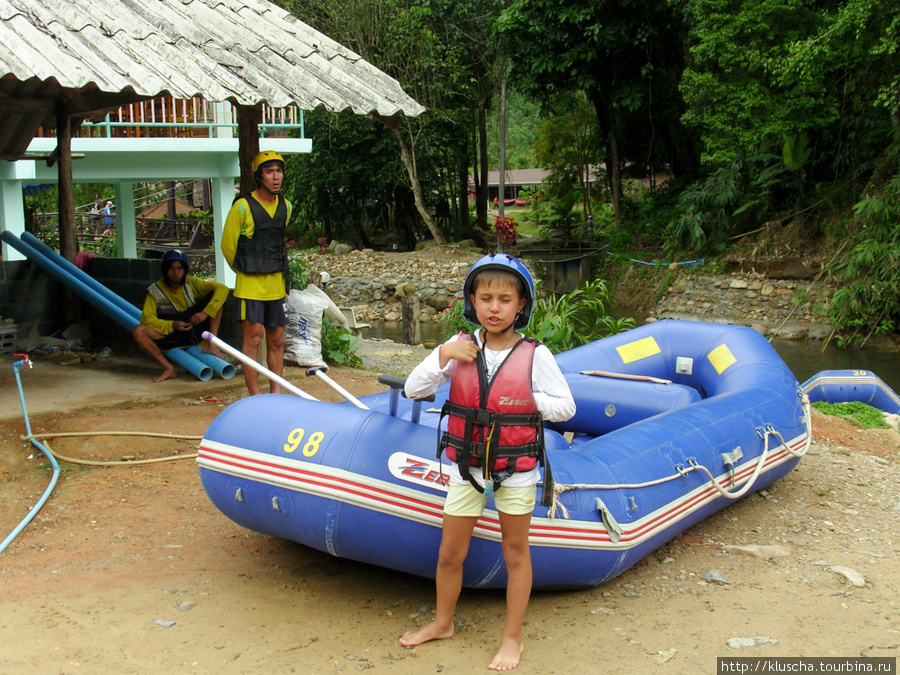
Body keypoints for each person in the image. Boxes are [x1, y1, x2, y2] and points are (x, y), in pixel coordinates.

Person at [400, 253, 576, 671]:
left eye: (504, 299)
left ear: (521, 306)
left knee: (516, 552)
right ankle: (443, 622)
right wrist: (442, 353)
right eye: (485, 299)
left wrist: (526, 400)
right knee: (449, 554)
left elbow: (566, 407)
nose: (494, 308)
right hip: (467, 466)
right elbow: (412, 388)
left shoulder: (537, 355)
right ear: (472, 303)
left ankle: (511, 638)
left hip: (516, 470)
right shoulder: (460, 348)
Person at [221, 150, 292, 395]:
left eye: (279, 171)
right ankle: (254, 396)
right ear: (259, 176)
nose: (276, 177)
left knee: (277, 340)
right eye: (269, 171)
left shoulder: (286, 206)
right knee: (253, 339)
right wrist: (245, 270)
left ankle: (276, 394)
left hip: (276, 285)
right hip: (250, 285)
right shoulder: (242, 206)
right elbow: (227, 246)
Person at [132, 249, 229, 382]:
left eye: (179, 268)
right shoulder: (155, 290)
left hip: (193, 329)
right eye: (172, 268)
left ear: (184, 270)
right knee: (138, 330)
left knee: (217, 301)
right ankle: (169, 369)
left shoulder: (192, 283)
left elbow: (222, 289)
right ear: (165, 270)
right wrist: (172, 324)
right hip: (171, 333)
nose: (176, 273)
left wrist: (205, 313)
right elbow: (146, 319)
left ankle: (211, 344)